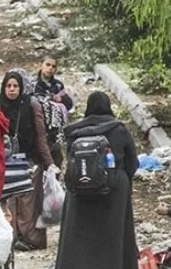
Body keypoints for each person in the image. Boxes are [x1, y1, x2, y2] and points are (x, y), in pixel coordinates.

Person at [55, 91, 138, 268]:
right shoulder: (119, 129)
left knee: (78, 239)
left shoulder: (75, 132)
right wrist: (119, 179)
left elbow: (70, 162)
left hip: (80, 193)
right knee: (114, 238)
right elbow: (133, 164)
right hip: (113, 193)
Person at [0, 71, 55, 251]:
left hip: (30, 160)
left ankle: (32, 239)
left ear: (21, 88)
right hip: (8, 161)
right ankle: (12, 237)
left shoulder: (31, 105)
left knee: (29, 202)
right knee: (10, 200)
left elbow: (40, 136)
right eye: (8, 86)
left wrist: (49, 163)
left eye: (15, 86)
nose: (12, 90)